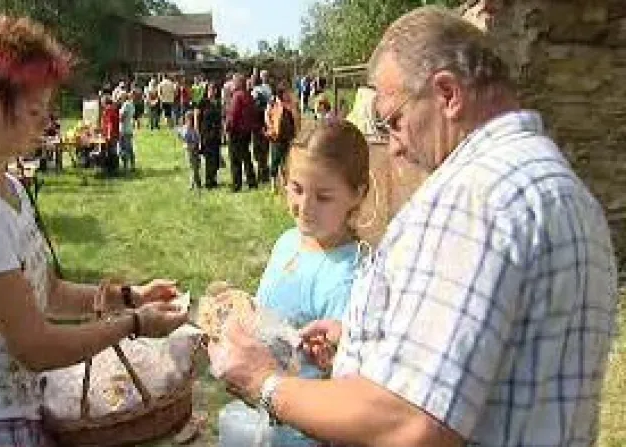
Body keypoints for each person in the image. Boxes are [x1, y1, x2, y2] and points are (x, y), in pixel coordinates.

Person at [209, 6, 618, 447]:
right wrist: (363, 344)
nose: (396, 147)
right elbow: (498, 359)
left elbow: (410, 423)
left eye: (394, 122)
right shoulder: (564, 189)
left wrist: (265, 383)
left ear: (447, 94)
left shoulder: (470, 199)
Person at [0, 16, 188, 447]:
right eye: (35, 110)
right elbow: (35, 346)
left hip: (7, 417)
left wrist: (131, 295)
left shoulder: (9, 187)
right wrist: (133, 324)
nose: (46, 122)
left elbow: (46, 291)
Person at [219, 120, 371, 447]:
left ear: (357, 194)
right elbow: (265, 314)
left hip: (304, 432)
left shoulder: (350, 275)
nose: (304, 208)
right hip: (264, 415)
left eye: (323, 197)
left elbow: (345, 384)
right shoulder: (288, 241)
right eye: (297, 189)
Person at [225, 74, 258, 192]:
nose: (232, 84)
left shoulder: (237, 96)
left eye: (234, 82)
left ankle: (236, 185)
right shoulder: (249, 96)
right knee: (246, 157)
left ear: (238, 83)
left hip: (236, 131)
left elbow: (233, 114)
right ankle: (252, 182)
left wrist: (228, 128)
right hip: (247, 131)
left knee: (235, 159)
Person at [266, 81, 300, 193]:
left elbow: (296, 120)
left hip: (289, 136)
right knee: (275, 160)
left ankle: (285, 183)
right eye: (286, 92)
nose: (288, 94)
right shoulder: (273, 102)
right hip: (277, 137)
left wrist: (297, 134)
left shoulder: (292, 104)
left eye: (288, 92)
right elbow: (267, 115)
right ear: (281, 93)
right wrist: (270, 127)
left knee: (286, 161)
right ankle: (273, 185)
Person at [195, 82, 223, 189]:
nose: (212, 92)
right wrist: (197, 132)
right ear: (207, 91)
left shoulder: (218, 103)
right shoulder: (202, 102)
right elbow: (197, 117)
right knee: (209, 158)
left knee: (216, 158)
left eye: (214, 89)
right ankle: (208, 181)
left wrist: (222, 132)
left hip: (216, 133)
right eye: (210, 89)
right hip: (205, 132)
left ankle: (214, 178)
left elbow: (221, 118)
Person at [251, 69, 273, 184]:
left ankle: (263, 174)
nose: (265, 77)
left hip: (264, 123)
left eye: (266, 75)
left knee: (263, 149)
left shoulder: (268, 89)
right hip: (257, 124)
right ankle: (261, 173)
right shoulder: (256, 90)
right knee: (258, 150)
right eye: (263, 76)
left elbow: (270, 106)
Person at [176, 110, 202, 190]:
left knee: (195, 167)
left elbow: (197, 138)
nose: (190, 121)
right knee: (193, 167)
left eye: (191, 119)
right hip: (189, 149)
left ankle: (195, 183)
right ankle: (195, 183)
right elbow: (180, 135)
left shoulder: (194, 128)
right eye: (188, 119)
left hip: (195, 149)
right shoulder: (185, 128)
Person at [101, 94, 120, 175]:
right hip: (114, 133)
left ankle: (112, 169)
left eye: (102, 102)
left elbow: (110, 124)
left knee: (111, 152)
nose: (101, 104)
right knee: (112, 151)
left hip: (112, 134)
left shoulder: (109, 110)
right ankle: (113, 169)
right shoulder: (113, 109)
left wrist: (109, 135)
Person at [119, 90, 136, 172]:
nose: (119, 98)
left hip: (124, 129)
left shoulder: (126, 105)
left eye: (120, 97)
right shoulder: (130, 104)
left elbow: (122, 117)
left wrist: (117, 118)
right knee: (129, 148)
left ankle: (127, 166)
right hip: (128, 128)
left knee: (124, 148)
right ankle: (131, 165)